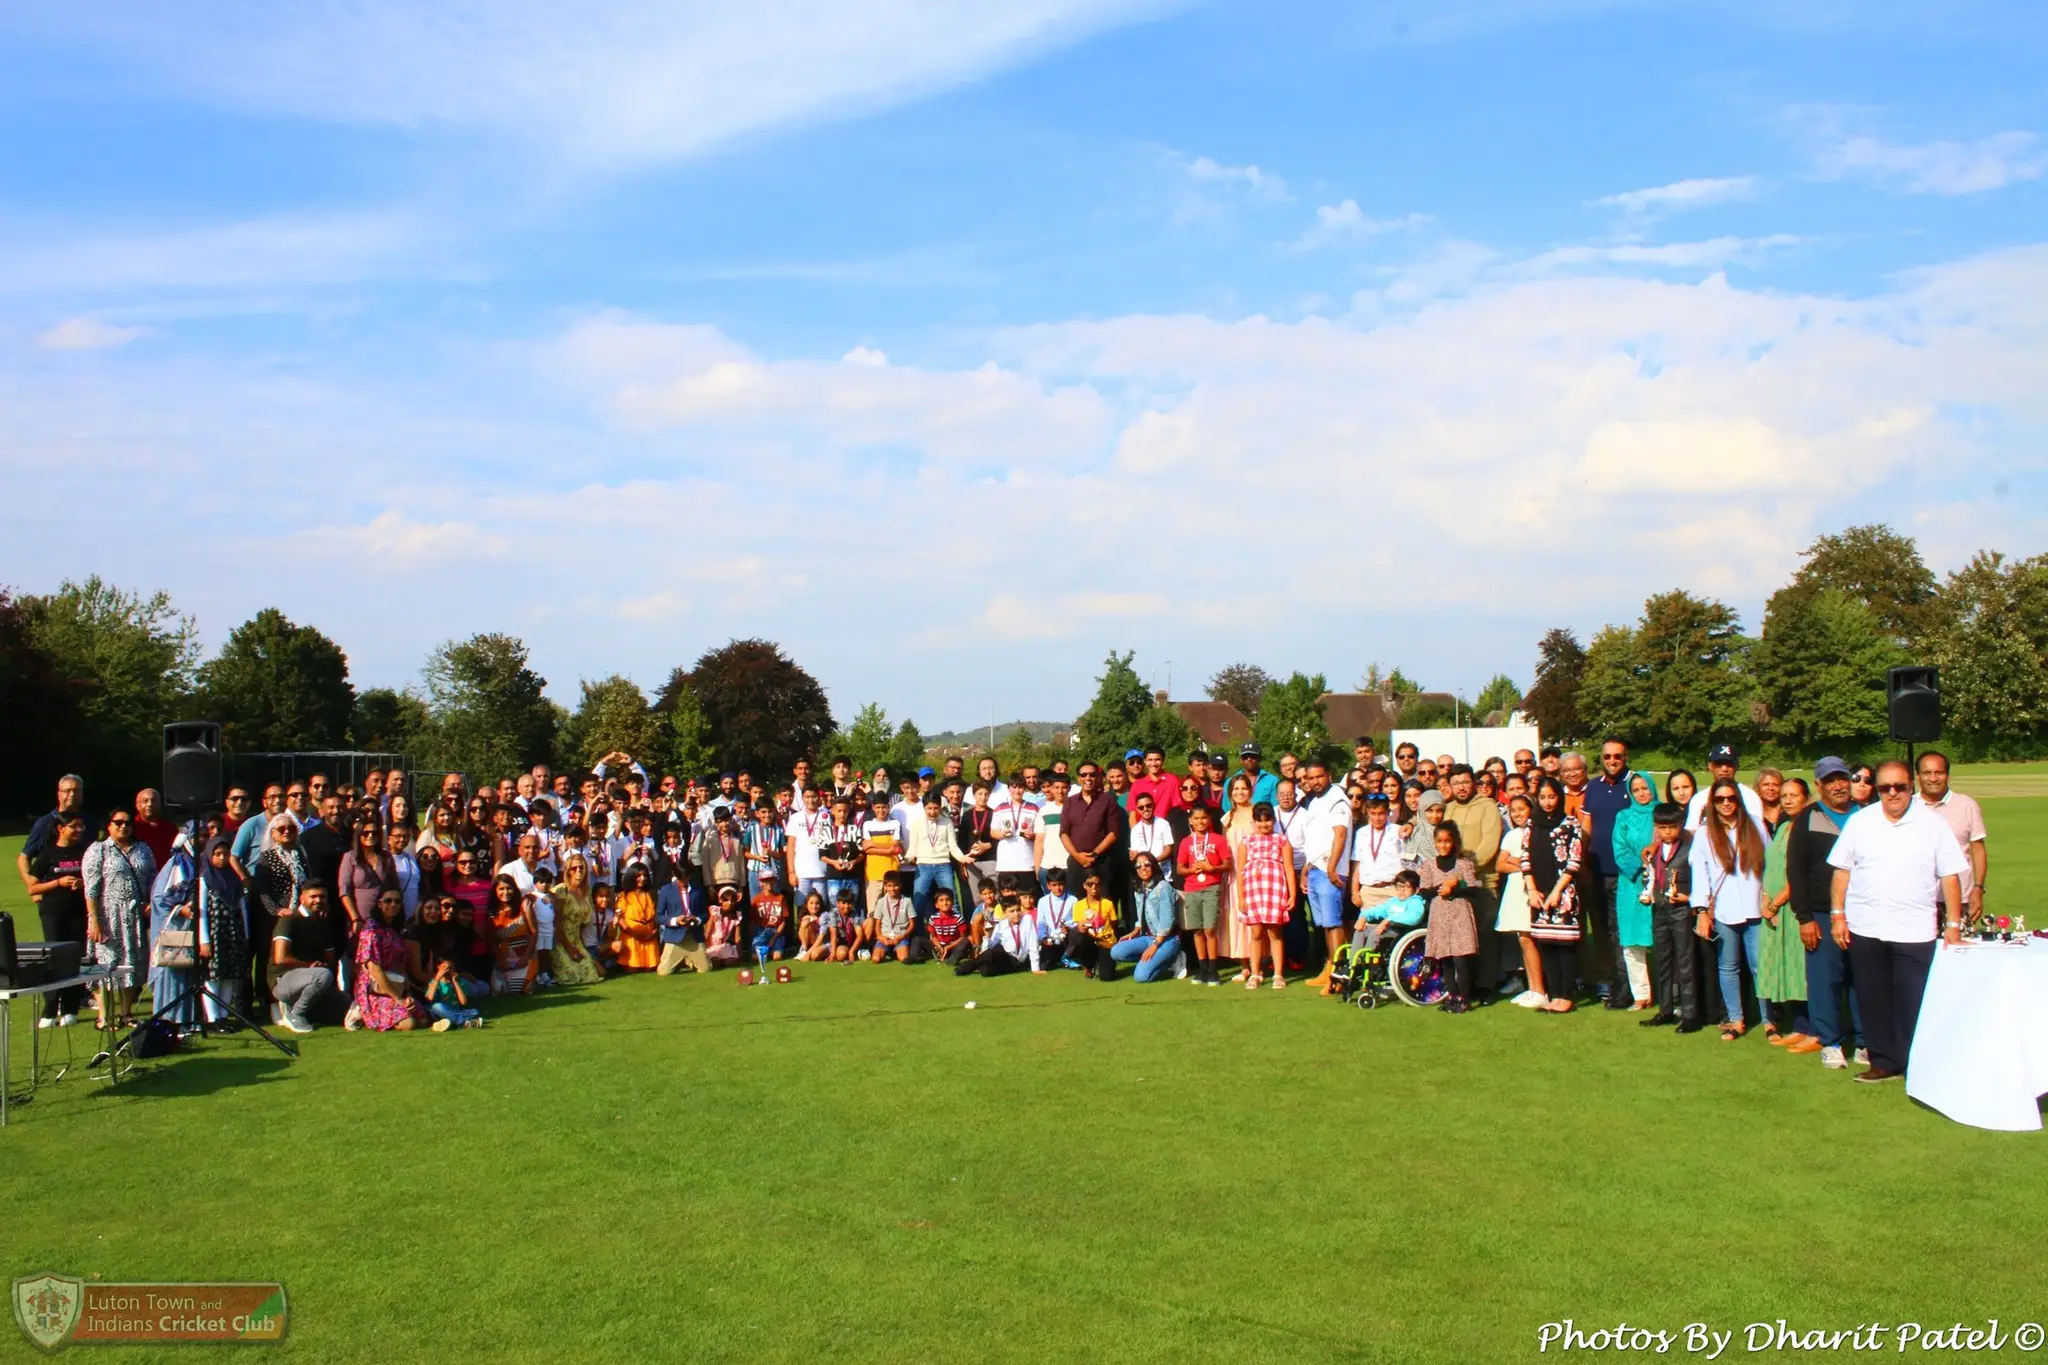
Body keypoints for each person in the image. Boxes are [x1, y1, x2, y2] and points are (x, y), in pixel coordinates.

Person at [1827, 759, 1968, 1084]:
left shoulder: (1932, 824)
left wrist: (1954, 926)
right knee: (1872, 997)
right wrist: (1838, 915)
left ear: (1911, 787)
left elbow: (1950, 876)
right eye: (1885, 788)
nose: (1892, 793)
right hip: (1866, 925)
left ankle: (1914, 1062)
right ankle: (1883, 1062)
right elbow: (1841, 872)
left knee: (1913, 999)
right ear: (1877, 790)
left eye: (1899, 787)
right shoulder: (1860, 822)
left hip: (1915, 928)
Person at [1785, 757, 1865, 1068]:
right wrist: (1804, 917)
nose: (1838, 785)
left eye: (1842, 778)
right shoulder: (1808, 818)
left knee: (1861, 978)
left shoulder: (1866, 814)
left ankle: (1864, 1041)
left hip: (1863, 911)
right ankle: (1830, 1041)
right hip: (1819, 912)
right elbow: (1796, 870)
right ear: (1819, 786)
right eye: (1830, 781)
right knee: (1825, 979)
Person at [1693, 777, 1768, 1042]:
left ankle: (1769, 1020)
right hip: (1724, 908)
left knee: (1760, 966)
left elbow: (1769, 864)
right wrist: (1701, 910)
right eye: (1720, 799)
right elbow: (1700, 874)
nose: (1726, 803)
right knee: (1728, 966)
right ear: (1712, 803)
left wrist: (1770, 900)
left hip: (1756, 906)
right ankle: (1736, 1020)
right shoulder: (1704, 833)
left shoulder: (1756, 826)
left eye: (1731, 798)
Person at [83, 808, 156, 1031]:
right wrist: (94, 919)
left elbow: (153, 877)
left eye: (127, 822)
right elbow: (91, 888)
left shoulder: (142, 849)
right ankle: (104, 1016)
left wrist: (152, 900)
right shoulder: (99, 850)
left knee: (131, 965)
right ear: (109, 825)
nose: (123, 826)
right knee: (106, 965)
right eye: (118, 822)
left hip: (134, 917)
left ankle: (126, 1013)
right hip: (108, 916)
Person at [1757, 777, 1815, 1048]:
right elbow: (1772, 868)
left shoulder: (1809, 828)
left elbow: (1802, 874)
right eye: (1784, 795)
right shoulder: (1782, 828)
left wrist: (1775, 903)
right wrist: (1767, 899)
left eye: (1794, 795)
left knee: (1801, 968)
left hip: (1794, 909)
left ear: (1806, 798)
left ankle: (1814, 1028)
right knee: (1787, 967)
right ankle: (1799, 1025)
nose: (1788, 800)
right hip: (1776, 910)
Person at [1440, 764, 1503, 994]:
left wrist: (1463, 872)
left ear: (1473, 783)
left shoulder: (1487, 806)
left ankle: (1487, 985)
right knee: (1461, 938)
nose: (1461, 787)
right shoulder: (1448, 809)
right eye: (1456, 783)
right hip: (1455, 885)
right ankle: (1466, 986)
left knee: (1485, 935)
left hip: (1482, 882)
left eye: (1465, 782)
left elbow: (1488, 846)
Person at [25, 813, 91, 1027]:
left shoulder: (85, 852)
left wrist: (82, 884)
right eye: (74, 826)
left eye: (82, 826)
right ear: (61, 829)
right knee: (53, 958)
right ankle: (49, 1009)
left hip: (78, 913)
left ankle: (70, 1008)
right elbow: (33, 887)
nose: (80, 830)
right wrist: (58, 882)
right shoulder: (48, 854)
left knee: (74, 958)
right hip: (53, 912)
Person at [1524, 778, 1583, 1015]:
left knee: (1564, 946)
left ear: (1559, 797)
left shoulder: (1570, 824)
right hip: (1538, 892)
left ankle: (1566, 996)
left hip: (1563, 893)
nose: (1547, 802)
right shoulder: (1532, 824)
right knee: (1546, 944)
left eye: (1552, 796)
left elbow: (1574, 860)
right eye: (1542, 797)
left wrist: (1557, 891)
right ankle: (1554, 993)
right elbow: (1525, 856)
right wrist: (1531, 888)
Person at [1297, 761, 1353, 990]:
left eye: (1319, 776)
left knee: (1334, 923)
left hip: (1331, 871)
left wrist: (1331, 868)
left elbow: (1340, 834)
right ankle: (1329, 967)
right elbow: (1315, 839)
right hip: (1315, 870)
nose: (1314, 781)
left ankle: (1339, 973)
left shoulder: (1337, 799)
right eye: (1310, 778)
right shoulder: (1315, 802)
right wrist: (1307, 869)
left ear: (1329, 775)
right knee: (1325, 925)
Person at [1916, 751, 1987, 926]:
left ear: (1947, 775)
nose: (1933, 778)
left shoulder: (1966, 805)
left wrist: (1978, 888)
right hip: (1918, 900)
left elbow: (1977, 849)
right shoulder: (1908, 807)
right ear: (1918, 776)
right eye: (1927, 773)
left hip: (1959, 899)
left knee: (1959, 950)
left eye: (1938, 772)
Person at [1607, 772, 1659, 1010]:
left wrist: (1654, 860)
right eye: (1636, 790)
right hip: (1631, 883)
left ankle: (1667, 991)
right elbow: (1619, 847)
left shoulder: (1662, 813)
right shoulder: (1624, 816)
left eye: (1645, 789)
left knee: (1661, 938)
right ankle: (1641, 994)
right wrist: (1639, 864)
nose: (1641, 794)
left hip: (1660, 880)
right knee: (1632, 941)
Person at [1417, 822, 1480, 1014]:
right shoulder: (1428, 865)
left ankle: (1464, 997)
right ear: (1434, 843)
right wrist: (1441, 887)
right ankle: (1451, 995)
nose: (1443, 845)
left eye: (1447, 841)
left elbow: (1473, 888)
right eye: (1439, 841)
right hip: (1440, 915)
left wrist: (1454, 887)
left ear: (1453, 842)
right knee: (1445, 959)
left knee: (1460, 959)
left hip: (1459, 914)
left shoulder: (1464, 864)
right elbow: (1423, 891)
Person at [1234, 802, 1296, 990]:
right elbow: (1239, 871)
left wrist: (1292, 894)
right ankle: (1255, 973)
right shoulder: (1246, 842)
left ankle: (1278, 974)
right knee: (1256, 933)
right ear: (1253, 822)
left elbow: (1289, 869)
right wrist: (1241, 897)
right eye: (1259, 822)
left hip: (1275, 888)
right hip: (1253, 890)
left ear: (1273, 821)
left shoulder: (1282, 840)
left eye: (1267, 821)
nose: (1263, 825)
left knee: (1275, 932)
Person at [269, 883, 343, 1034]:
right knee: (322, 974)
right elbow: (280, 958)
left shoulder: (323, 923)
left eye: (322, 897)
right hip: (282, 979)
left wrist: (322, 966)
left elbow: (331, 960)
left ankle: (304, 1008)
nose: (318, 900)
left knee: (348, 1007)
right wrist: (310, 966)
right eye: (313, 896)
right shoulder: (289, 920)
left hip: (313, 978)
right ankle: (295, 1014)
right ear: (302, 899)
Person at [352, 888, 428, 1032]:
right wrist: (397, 998)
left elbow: (400, 967)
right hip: (374, 989)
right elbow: (375, 970)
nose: (393, 904)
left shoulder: (395, 930)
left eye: (397, 901)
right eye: (388, 900)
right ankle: (359, 1011)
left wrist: (407, 995)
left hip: (396, 984)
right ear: (379, 904)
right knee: (409, 1024)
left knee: (424, 1019)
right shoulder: (370, 930)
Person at [195, 831, 251, 1025]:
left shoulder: (234, 879)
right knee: (213, 977)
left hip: (233, 932)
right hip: (214, 933)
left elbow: (242, 906)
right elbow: (201, 911)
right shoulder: (205, 879)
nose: (221, 858)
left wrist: (246, 934)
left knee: (230, 976)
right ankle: (212, 1018)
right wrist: (204, 940)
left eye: (225, 854)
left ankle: (224, 1016)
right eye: (217, 854)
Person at [1494, 795, 1543, 1007]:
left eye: (1522, 809)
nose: (1517, 814)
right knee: (1523, 939)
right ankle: (1531, 988)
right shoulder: (1512, 835)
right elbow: (1500, 865)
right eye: (1513, 810)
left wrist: (1520, 863)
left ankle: (1540, 990)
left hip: (1530, 888)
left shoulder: (1537, 833)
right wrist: (1520, 864)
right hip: (1515, 889)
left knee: (1529, 938)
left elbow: (1535, 863)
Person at [1174, 803, 1230, 986]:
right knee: (1197, 930)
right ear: (1190, 821)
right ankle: (1202, 968)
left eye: (1204, 818)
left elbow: (1227, 865)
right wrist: (1192, 869)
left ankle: (1213, 970)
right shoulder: (1185, 842)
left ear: (1209, 819)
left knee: (1210, 929)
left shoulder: (1218, 840)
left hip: (1211, 887)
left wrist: (1211, 868)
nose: (1200, 822)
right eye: (1196, 818)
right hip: (1191, 888)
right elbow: (1180, 869)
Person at [1111, 852, 1182, 983]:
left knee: (1141, 977)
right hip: (1148, 937)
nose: (1142, 868)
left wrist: (1154, 946)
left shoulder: (1163, 887)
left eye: (1147, 865)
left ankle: (1173, 959)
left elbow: (1167, 922)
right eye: (1138, 866)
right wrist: (1135, 931)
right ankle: (1154, 960)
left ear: (1154, 866)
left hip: (1167, 938)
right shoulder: (1139, 889)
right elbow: (1141, 916)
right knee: (1116, 951)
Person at [549, 853, 604, 985]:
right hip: (560, 940)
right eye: (574, 868)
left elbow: (584, 923)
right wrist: (569, 948)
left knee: (593, 973)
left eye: (581, 867)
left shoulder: (588, 892)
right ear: (568, 871)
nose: (578, 870)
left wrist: (579, 947)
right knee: (573, 975)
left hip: (577, 941)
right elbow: (556, 924)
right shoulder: (561, 890)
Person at [1349, 869, 1426, 957]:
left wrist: (1388, 920)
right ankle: (1353, 962)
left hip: (1401, 932)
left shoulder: (1415, 902)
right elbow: (1378, 910)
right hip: (1387, 929)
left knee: (1375, 932)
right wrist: (1363, 917)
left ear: (1416, 890)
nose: (1402, 890)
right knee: (1361, 930)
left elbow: (1413, 918)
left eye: (1407, 887)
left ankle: (1368, 961)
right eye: (1399, 886)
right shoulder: (1394, 901)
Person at [954, 900, 1042, 977]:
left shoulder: (1027, 920)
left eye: (1018, 910)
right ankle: (969, 965)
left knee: (985, 971)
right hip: (1005, 955)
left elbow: (1033, 943)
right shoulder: (1001, 925)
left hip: (1017, 961)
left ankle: (971, 965)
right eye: (1012, 911)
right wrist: (988, 936)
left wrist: (1035, 968)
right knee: (990, 954)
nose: (1016, 913)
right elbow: (990, 948)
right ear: (1005, 913)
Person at [488, 875, 539, 995]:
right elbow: (491, 939)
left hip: (525, 956)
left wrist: (526, 957)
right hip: (504, 958)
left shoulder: (524, 905)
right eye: (501, 889)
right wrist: (501, 960)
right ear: (495, 890)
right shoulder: (492, 912)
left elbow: (534, 932)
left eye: (509, 888)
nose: (505, 892)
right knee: (497, 990)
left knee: (524, 989)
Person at [1064, 872, 1120, 981]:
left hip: (1106, 942)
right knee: (1079, 936)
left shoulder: (1107, 903)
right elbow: (1079, 925)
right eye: (1090, 884)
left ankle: (1103, 962)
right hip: (1089, 942)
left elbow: (1113, 925)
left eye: (1097, 884)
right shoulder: (1079, 905)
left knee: (1106, 977)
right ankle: (1088, 966)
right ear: (1084, 886)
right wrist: (1081, 928)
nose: (1094, 887)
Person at [656, 869, 709, 976]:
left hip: (693, 936)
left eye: (685, 878)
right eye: (680, 879)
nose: (682, 882)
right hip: (675, 937)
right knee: (663, 972)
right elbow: (659, 917)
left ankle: (687, 960)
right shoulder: (666, 890)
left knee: (705, 969)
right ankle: (680, 960)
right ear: (674, 875)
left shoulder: (698, 889)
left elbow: (705, 914)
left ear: (689, 876)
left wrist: (697, 919)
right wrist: (675, 920)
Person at [610, 864, 661, 973]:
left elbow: (658, 915)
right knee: (632, 970)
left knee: (650, 969)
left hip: (649, 937)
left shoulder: (651, 894)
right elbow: (620, 918)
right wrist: (633, 933)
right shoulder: (624, 895)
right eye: (639, 876)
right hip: (632, 937)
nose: (642, 879)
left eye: (644, 875)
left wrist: (654, 932)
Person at [869, 873, 916, 963]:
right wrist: (881, 937)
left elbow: (912, 924)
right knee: (876, 959)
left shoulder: (907, 901)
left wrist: (902, 936)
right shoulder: (881, 902)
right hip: (885, 937)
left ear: (900, 885)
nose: (892, 889)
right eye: (889, 886)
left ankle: (895, 951)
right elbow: (877, 924)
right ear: (885, 887)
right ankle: (887, 950)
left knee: (903, 958)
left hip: (900, 937)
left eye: (895, 885)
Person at [926, 887, 971, 965]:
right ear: (936, 905)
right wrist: (939, 946)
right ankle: (916, 958)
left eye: (948, 900)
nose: (945, 903)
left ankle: (952, 960)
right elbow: (933, 936)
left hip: (953, 946)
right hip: (939, 945)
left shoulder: (958, 918)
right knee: (917, 940)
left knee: (966, 941)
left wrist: (948, 947)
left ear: (952, 903)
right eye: (941, 900)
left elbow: (963, 937)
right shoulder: (933, 918)